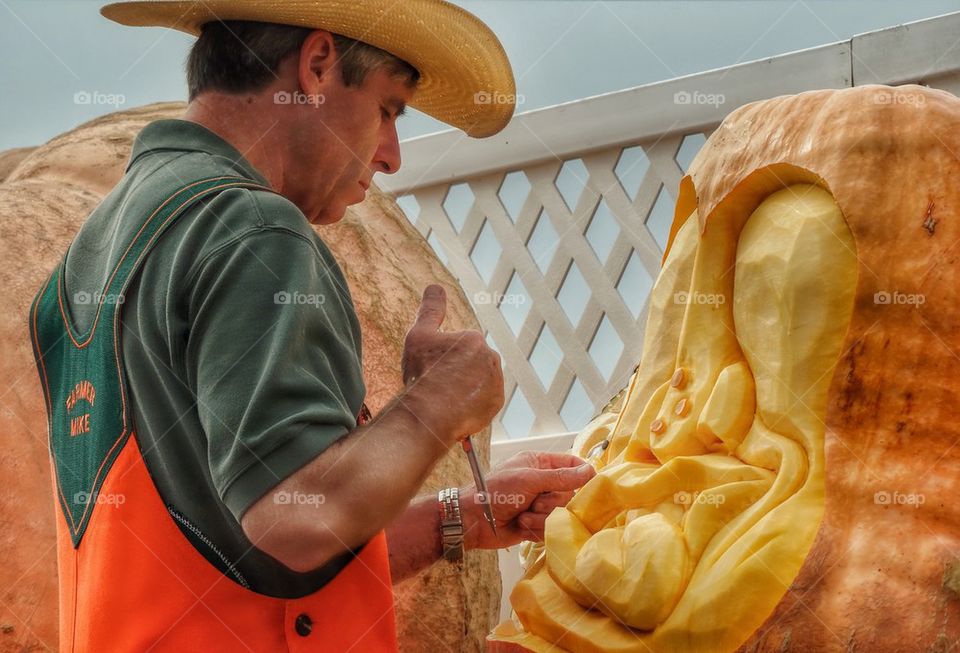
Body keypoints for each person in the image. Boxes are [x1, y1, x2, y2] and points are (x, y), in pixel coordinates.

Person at [28, 2, 596, 651]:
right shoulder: (252, 231)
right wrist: (436, 404)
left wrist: (463, 515)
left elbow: (245, 553)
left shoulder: (89, 260)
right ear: (318, 65)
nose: (391, 156)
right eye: (388, 109)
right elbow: (296, 521)